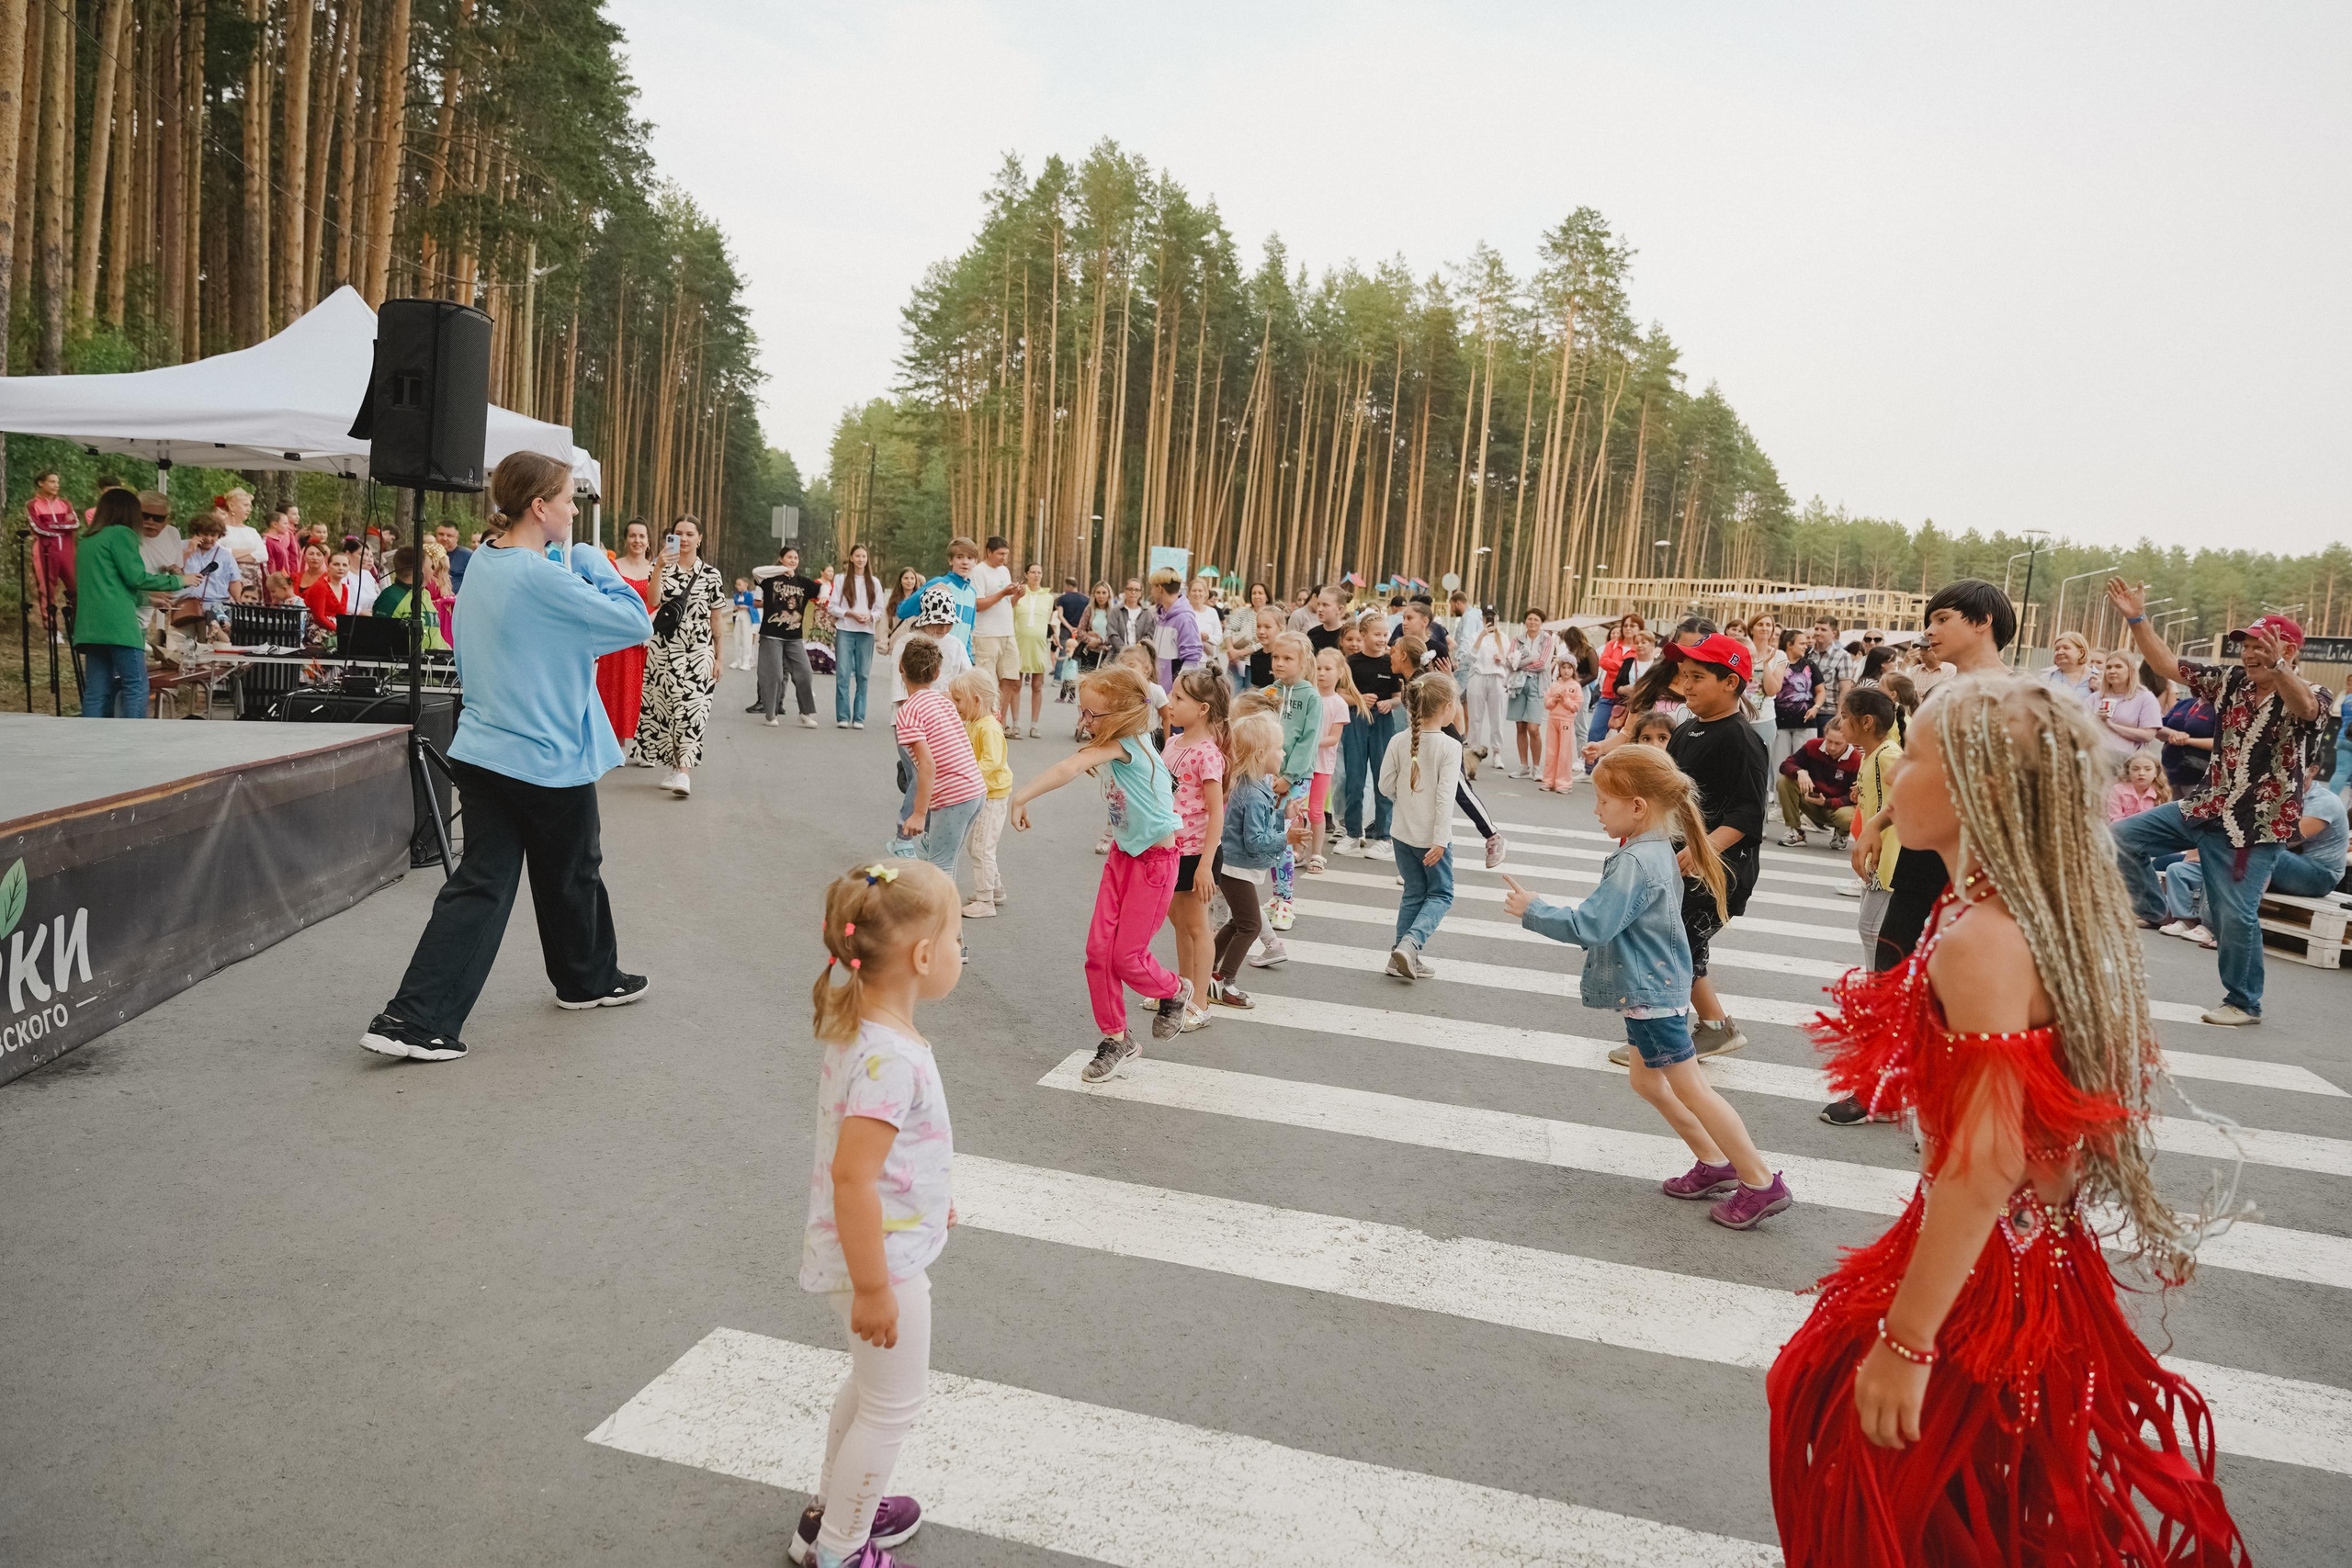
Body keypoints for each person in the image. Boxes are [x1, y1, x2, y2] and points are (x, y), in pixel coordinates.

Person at [1768, 671, 2247, 1565]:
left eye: (1910, 758)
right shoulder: (2009, 911)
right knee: (1980, 1506)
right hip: (2032, 1262)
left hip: (1990, 1280)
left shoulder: (1982, 937)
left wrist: (1908, 1343)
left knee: (1904, 1503)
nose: (1893, 776)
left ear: (1976, 788)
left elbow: (1985, 1163)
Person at [359, 454, 652, 1063]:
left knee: (489, 882)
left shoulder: (487, 566)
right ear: (540, 507)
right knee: (572, 869)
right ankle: (583, 979)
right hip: (543, 753)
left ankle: (414, 1016)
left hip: (485, 748)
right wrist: (599, 566)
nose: (576, 509)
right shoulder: (543, 576)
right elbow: (633, 623)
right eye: (570, 499)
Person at [1506, 744, 1793, 1228]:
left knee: (1694, 1090)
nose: (1595, 810)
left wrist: (1533, 909)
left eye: (1602, 801)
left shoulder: (1635, 861)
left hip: (1651, 992)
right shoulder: (1656, 848)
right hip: (1655, 987)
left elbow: (1592, 925)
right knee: (1646, 1080)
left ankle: (1761, 1182)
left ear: (1637, 806)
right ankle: (1715, 1163)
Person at [797, 858, 959, 1568]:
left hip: (870, 1248)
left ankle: (830, 1514)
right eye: (958, 940)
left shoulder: (865, 1027)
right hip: (878, 1263)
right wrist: (872, 1287)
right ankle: (840, 1547)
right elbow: (854, 1173)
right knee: (892, 1407)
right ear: (924, 956)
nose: (960, 952)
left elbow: (881, 1159)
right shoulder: (891, 1056)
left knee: (870, 1391)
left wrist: (929, 1194)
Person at [2107, 586, 2332, 1026]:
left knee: (2234, 914)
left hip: (2255, 824)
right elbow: (2167, 666)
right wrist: (2138, 619)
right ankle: (2155, 910)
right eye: (2245, 646)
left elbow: (2304, 708)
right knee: (2120, 838)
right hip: (2206, 804)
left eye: (2258, 646)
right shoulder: (2231, 681)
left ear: (2288, 650)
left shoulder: (2313, 692)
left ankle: (2244, 1003)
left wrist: (2280, 669)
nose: (2247, 654)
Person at [1008, 663, 1192, 1081]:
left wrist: (1021, 797)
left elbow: (1069, 767)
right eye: (1082, 710)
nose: (1083, 720)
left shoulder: (1125, 744)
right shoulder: (1117, 741)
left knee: (1127, 957)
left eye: (1092, 715)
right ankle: (1116, 1038)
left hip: (1155, 865)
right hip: (1123, 858)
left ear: (1123, 715)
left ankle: (1175, 990)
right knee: (1097, 954)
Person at [72, 489, 201, 717]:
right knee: (136, 686)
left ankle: (89, 742)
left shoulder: (88, 540)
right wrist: (180, 580)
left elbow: (110, 587)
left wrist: (148, 598)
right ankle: (134, 742)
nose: (148, 521)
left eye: (157, 517)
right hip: (120, 626)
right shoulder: (122, 534)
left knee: (96, 691)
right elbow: (136, 577)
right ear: (130, 511)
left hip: (90, 626)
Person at [1378, 671, 1464, 979]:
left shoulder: (1398, 740)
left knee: (1414, 892)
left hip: (1402, 833)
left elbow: (1385, 785)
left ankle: (1398, 955)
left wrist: (1405, 801)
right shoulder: (1450, 747)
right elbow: (1445, 799)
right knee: (1441, 894)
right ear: (1445, 708)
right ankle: (1411, 945)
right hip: (1432, 838)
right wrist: (1440, 839)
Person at [638, 516, 728, 797]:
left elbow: (717, 619)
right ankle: (675, 766)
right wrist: (659, 568)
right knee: (667, 711)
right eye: (678, 534)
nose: (684, 538)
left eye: (690, 534)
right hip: (664, 650)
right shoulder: (661, 567)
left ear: (700, 538)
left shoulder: (712, 575)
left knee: (692, 710)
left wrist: (719, 657)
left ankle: (684, 772)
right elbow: (652, 601)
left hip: (699, 651)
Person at [1161, 667, 1231, 1032]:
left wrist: (1206, 865)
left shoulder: (1207, 754)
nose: (1170, 703)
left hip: (1196, 853)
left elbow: (1216, 812)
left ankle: (1201, 1002)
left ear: (1203, 709)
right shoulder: (1173, 743)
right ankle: (1181, 989)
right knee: (1178, 922)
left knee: (1197, 926)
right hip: (1171, 849)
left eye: (1178, 699)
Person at [1205, 712, 1289, 1010]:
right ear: (1261, 753)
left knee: (1238, 921)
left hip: (1232, 865)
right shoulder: (1252, 793)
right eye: (1279, 748)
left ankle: (1207, 971)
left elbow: (1257, 825)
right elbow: (1255, 840)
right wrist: (1286, 837)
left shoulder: (1254, 786)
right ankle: (1224, 981)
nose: (1284, 753)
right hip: (1236, 867)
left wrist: (1282, 816)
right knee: (1251, 925)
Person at [1839, 688, 1907, 970]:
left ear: (1866, 722)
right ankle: (1877, 991)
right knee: (1869, 929)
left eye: (1844, 717)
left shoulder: (1887, 754)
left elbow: (1910, 794)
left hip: (1889, 857)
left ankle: (1880, 993)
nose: (1840, 723)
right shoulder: (1872, 754)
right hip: (1875, 856)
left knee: (1871, 930)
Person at [1264, 632, 1320, 935]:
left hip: (1295, 779)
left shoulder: (1311, 697)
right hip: (1268, 777)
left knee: (1282, 836)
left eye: (1288, 658)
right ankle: (1276, 896)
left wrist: (1287, 778)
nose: (1280, 663)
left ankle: (1285, 901)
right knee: (1271, 836)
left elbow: (1308, 742)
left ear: (1303, 662)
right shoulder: (1269, 693)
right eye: (1276, 657)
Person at [947, 670, 1011, 919]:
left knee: (981, 847)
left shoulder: (988, 727)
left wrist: (966, 776)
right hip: (983, 793)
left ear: (976, 700)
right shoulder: (973, 723)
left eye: (958, 700)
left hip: (993, 795)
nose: (956, 705)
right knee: (977, 846)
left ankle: (986, 901)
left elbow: (992, 761)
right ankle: (994, 889)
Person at [1339, 612, 1404, 856]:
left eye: (1385, 634)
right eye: (1377, 634)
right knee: (1354, 779)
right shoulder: (1351, 663)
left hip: (1383, 722)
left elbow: (1399, 697)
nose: (1382, 639)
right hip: (1356, 720)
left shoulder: (1391, 663)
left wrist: (1390, 703)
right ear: (1363, 635)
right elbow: (1340, 694)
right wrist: (1358, 699)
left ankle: (1384, 836)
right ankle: (1353, 833)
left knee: (1383, 779)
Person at [595, 521, 659, 755]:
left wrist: (649, 627)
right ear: (625, 539)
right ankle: (615, 743)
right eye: (632, 535)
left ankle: (645, 745)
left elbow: (661, 602)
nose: (637, 541)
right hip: (619, 638)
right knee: (615, 689)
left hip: (647, 640)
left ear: (648, 541)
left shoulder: (656, 569)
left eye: (642, 536)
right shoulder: (613, 567)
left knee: (646, 691)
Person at [753, 545, 824, 728]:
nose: (793, 561)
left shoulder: (803, 582)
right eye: (789, 557)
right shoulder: (770, 579)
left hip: (794, 637)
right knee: (774, 675)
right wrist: (782, 570)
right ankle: (771, 714)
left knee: (805, 673)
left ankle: (805, 713)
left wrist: (823, 595)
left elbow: (822, 587)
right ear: (781, 558)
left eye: (796, 558)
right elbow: (756, 571)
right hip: (772, 635)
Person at [827, 544, 887, 728]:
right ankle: (843, 716)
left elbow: (879, 609)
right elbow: (832, 606)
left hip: (866, 632)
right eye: (858, 556)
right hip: (845, 630)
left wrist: (870, 617)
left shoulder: (874, 582)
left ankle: (859, 717)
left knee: (863, 675)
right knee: (843, 674)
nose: (861, 559)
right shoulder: (841, 579)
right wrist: (850, 614)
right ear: (851, 558)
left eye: (864, 556)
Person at [1306, 649, 1354, 873]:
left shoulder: (1339, 704)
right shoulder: (1308, 696)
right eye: (1318, 668)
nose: (1322, 673)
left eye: (1328, 669)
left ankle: (1316, 854)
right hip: (1300, 763)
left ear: (1340, 673)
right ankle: (1296, 850)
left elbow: (1334, 738)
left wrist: (1309, 742)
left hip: (1322, 766)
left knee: (1315, 810)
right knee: (1295, 809)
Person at [962, 534, 1019, 722]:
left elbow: (1007, 603)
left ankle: (1000, 719)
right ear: (988, 552)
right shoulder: (979, 572)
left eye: (1006, 554)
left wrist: (1017, 596)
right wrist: (1003, 593)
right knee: (988, 681)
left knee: (1010, 677)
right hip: (987, 633)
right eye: (1000, 553)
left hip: (1007, 631)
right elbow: (978, 604)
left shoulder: (1004, 571)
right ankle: (987, 719)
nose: (1004, 558)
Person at [1777, 718, 1860, 847]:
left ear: (1848, 741)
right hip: (1812, 801)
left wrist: (1827, 803)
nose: (1832, 747)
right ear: (1825, 735)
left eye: (1838, 743)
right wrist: (1799, 772)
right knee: (1784, 781)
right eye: (1829, 741)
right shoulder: (1813, 746)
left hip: (1837, 807)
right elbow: (1785, 765)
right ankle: (1796, 830)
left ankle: (1842, 833)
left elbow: (1854, 797)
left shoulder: (1857, 759)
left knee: (1846, 817)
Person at [896, 537, 982, 656]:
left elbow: (968, 633)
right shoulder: (939, 583)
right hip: (933, 658)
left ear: (975, 562)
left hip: (958, 661)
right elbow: (902, 611)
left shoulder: (972, 594)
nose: (965, 562)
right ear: (950, 560)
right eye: (959, 557)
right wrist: (926, 592)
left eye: (970, 558)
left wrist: (968, 660)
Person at [26, 469, 83, 637]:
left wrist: (51, 525)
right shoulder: (32, 505)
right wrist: (61, 526)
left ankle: (76, 628)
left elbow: (75, 524)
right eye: (52, 482)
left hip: (67, 552)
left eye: (57, 482)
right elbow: (37, 528)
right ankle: (52, 630)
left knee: (76, 589)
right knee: (47, 591)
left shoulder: (65, 504)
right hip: (45, 552)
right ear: (41, 483)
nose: (56, 485)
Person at [1010, 563, 1056, 737]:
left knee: (1037, 686)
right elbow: (1011, 614)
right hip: (1019, 643)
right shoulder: (1019, 593)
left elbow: (1048, 620)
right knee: (1016, 684)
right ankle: (1015, 724)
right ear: (1026, 574)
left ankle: (1034, 725)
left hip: (1039, 646)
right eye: (1033, 572)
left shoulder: (1048, 597)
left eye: (1039, 572)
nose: (1036, 575)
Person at [2092, 651, 2164, 753]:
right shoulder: (2095, 698)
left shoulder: (2145, 698)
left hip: (2127, 761)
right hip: (2097, 757)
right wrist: (2094, 719)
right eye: (2108, 667)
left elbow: (2148, 735)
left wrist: (2111, 725)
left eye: (2118, 667)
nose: (2112, 671)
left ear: (2131, 671)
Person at [1144, 566, 1204, 688]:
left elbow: (1192, 659)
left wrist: (1178, 691)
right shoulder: (1161, 615)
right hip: (1158, 689)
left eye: (1152, 587)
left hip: (1171, 695)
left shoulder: (1184, 618)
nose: (1151, 591)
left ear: (1159, 588)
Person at [1804, 618, 1854, 736]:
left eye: (1823, 630)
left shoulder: (1843, 656)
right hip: (1807, 710)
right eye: (1816, 629)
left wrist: (1839, 716)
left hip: (1828, 713)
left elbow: (1845, 690)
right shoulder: (1806, 653)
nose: (1818, 633)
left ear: (1834, 633)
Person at [1540, 666, 1584, 792]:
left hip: (1566, 721)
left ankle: (1564, 783)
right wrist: (1555, 699)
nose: (1566, 671)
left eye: (1569, 668)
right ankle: (1548, 781)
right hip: (1553, 719)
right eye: (1563, 667)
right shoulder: (1554, 685)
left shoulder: (1575, 686)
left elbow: (1576, 706)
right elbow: (1547, 704)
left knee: (1564, 753)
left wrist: (1565, 700)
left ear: (1574, 670)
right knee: (1551, 751)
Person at [2038, 629, 2098, 707]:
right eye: (2057, 649)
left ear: (2081, 653)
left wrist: (2101, 691)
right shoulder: (2045, 679)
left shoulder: (2099, 679)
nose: (2059, 652)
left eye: (2066, 648)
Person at [2108, 750, 2169, 823]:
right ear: (2128, 772)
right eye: (2135, 769)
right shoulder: (2117, 790)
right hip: (2122, 831)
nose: (2141, 773)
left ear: (2156, 773)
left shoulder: (2161, 792)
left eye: (2148, 769)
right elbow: (2115, 819)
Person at [729, 577, 760, 671]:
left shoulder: (750, 595)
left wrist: (745, 607)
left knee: (747, 639)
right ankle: (737, 660)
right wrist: (735, 608)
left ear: (746, 585)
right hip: (739, 616)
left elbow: (753, 606)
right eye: (736, 584)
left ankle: (746, 661)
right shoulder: (736, 596)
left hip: (747, 617)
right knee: (737, 638)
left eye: (739, 584)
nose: (737, 586)